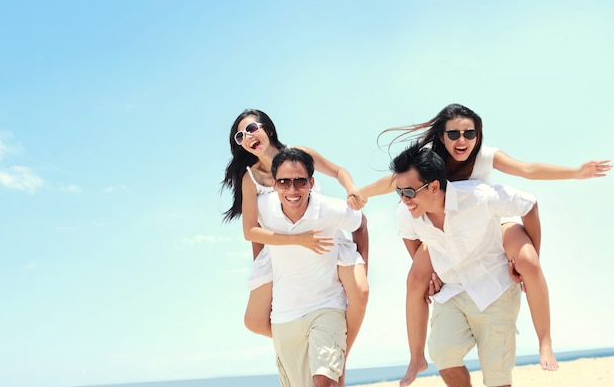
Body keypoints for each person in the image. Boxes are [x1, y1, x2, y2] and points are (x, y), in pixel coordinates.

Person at [355, 103, 612, 384]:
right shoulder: (424, 167)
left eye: (470, 133)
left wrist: (575, 172)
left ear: (478, 135)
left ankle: (545, 340)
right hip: (439, 229)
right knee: (415, 279)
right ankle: (416, 357)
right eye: (453, 134)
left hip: (492, 224)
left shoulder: (484, 159)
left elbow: (526, 169)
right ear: (441, 136)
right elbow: (392, 185)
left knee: (527, 261)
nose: (462, 140)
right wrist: (359, 194)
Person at [221, 109, 369, 385]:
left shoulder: (298, 154)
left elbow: (338, 171)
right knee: (254, 321)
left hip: (320, 233)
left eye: (252, 128)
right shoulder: (250, 178)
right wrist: (263, 268)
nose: (247, 137)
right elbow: (252, 231)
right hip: (281, 247)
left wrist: (351, 189)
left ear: (267, 128)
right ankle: (313, 342)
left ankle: (337, 352)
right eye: (240, 136)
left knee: (360, 290)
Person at [393, 143, 540, 387]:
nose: (403, 200)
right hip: (451, 290)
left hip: (495, 288)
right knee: (444, 357)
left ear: (434, 187)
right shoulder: (406, 214)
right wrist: (432, 274)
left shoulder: (479, 196)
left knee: (497, 379)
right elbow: (412, 241)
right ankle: (416, 359)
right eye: (398, 193)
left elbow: (529, 204)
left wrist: (531, 259)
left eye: (408, 192)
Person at [258, 147, 368, 387]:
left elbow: (361, 224)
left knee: (323, 381)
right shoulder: (263, 207)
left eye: (300, 182)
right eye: (284, 182)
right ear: (274, 184)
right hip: (284, 316)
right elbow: (254, 235)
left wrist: (360, 265)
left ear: (311, 182)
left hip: (327, 306)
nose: (292, 190)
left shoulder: (331, 209)